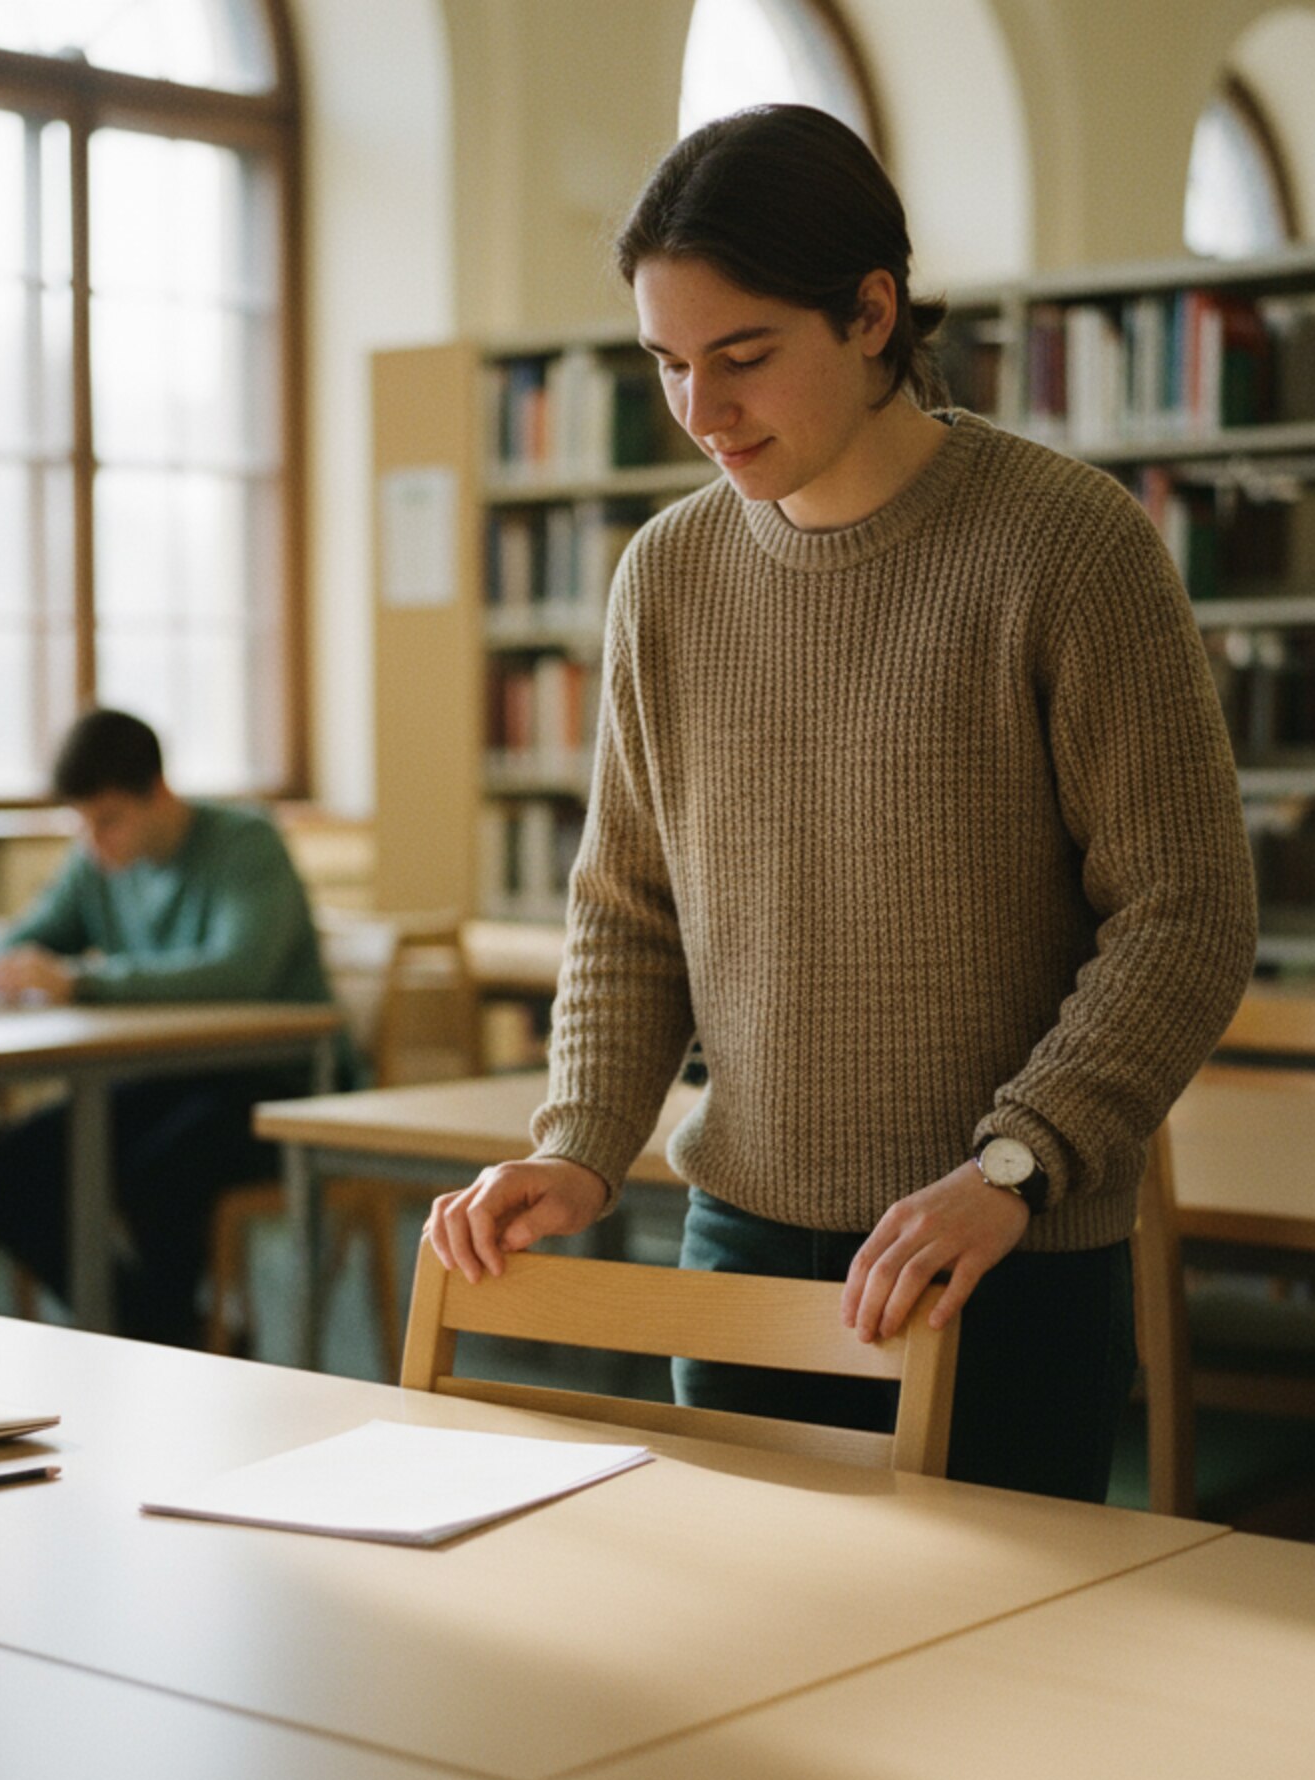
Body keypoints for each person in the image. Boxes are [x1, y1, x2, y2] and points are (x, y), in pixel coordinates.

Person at [425, 105, 1258, 1503]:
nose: (700, 411)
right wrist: (579, 1144)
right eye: (670, 365)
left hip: (1001, 1252)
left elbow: (1186, 912)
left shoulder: (1070, 547)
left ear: (872, 314)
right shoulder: (666, 579)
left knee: (992, 1686)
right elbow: (629, 911)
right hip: (739, 1244)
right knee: (741, 1657)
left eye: (742, 356)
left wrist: (1015, 1162)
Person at [0, 707, 333, 1347]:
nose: (96, 843)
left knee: (155, 1174)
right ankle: (161, 1336)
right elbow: (31, 936)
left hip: (275, 1083)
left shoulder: (246, 845)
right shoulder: (95, 863)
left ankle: (165, 1344)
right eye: (83, 826)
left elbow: (237, 974)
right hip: (166, 1079)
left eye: (109, 821)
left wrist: (81, 981)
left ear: (158, 793)